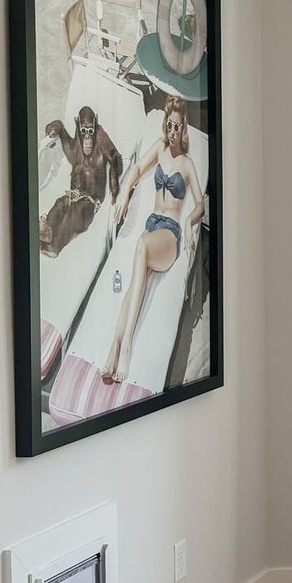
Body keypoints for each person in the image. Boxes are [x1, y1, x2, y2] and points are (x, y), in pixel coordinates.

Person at [101, 95, 204, 384]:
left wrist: (188, 220)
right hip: (151, 224)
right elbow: (135, 169)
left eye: (178, 127)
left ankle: (126, 347)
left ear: (184, 130)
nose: (172, 133)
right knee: (137, 281)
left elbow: (200, 204)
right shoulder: (159, 149)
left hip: (169, 235)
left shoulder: (187, 164)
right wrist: (124, 193)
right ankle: (114, 345)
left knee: (142, 245)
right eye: (169, 126)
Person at [40, 106, 122, 256]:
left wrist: (114, 178)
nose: (87, 139)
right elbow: (70, 153)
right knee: (60, 203)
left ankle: (55, 246)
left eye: (90, 131)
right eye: (84, 132)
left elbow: (116, 156)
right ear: (77, 126)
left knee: (76, 211)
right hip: (75, 195)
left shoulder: (100, 135)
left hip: (91, 202)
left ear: (95, 125)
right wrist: (58, 127)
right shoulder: (77, 142)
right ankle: (47, 232)